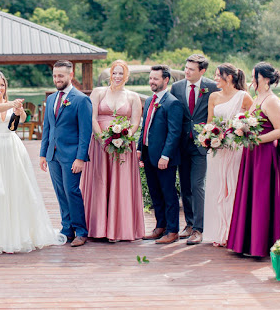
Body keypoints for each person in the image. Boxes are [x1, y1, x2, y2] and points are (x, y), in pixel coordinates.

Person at [0, 72, 65, 254]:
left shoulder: (11, 106)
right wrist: (12, 104)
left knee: (16, 188)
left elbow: (17, 124)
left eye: (2, 85)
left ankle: (19, 234)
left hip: (12, 148)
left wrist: (18, 111)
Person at [227, 62, 280, 258]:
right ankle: (248, 244)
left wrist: (257, 139)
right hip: (252, 153)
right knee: (250, 196)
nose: (252, 79)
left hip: (265, 155)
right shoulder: (257, 98)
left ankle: (261, 246)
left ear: (266, 79)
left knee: (261, 198)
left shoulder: (271, 101)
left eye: (255, 76)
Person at [80, 60, 145, 242]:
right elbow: (92, 118)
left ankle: (118, 230)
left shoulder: (133, 97)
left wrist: (124, 138)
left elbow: (135, 122)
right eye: (114, 73)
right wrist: (102, 139)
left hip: (123, 147)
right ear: (110, 74)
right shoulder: (98, 92)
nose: (117, 76)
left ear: (126, 76)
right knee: (99, 182)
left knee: (121, 184)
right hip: (99, 145)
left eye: (121, 73)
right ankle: (97, 228)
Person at [40, 60, 93, 247]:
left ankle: (81, 231)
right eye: (55, 76)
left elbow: (85, 132)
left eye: (61, 76)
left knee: (72, 191)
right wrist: (43, 154)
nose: (57, 79)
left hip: (72, 155)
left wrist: (80, 158)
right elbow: (47, 128)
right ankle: (67, 229)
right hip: (53, 155)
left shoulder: (81, 100)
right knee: (60, 192)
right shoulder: (51, 99)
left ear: (71, 75)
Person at [201, 64, 252, 247]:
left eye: (218, 75)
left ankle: (233, 233)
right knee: (216, 188)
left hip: (235, 147)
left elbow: (253, 121)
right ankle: (217, 232)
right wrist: (207, 136)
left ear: (229, 77)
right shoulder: (213, 97)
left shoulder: (243, 97)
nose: (215, 78)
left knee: (232, 186)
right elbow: (209, 122)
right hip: (217, 148)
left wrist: (241, 130)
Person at [170, 54, 218, 245]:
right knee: (185, 186)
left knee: (197, 185)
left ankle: (199, 228)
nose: (187, 71)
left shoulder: (212, 87)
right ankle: (189, 224)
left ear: (202, 71)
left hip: (201, 144)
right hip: (181, 143)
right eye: (186, 68)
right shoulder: (176, 87)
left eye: (191, 69)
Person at [137, 65, 183, 244]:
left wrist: (166, 156)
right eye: (150, 78)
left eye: (155, 79)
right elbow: (145, 127)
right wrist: (140, 148)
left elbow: (174, 133)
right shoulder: (149, 100)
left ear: (166, 80)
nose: (152, 81)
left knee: (168, 194)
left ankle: (172, 231)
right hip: (149, 155)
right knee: (155, 193)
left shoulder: (172, 103)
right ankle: (160, 226)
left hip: (164, 158)